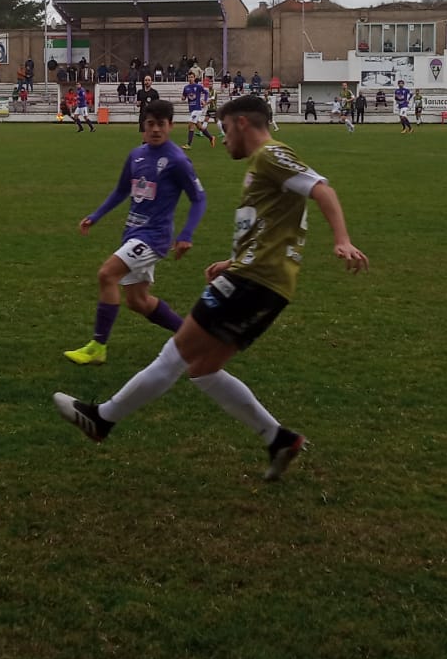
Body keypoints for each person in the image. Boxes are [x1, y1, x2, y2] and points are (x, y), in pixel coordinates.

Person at [53, 94, 367, 482]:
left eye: (224, 128)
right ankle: (278, 438)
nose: (223, 137)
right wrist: (232, 261)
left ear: (240, 123)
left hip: (251, 282)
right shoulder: (261, 163)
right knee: (202, 369)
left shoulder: (271, 154)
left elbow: (322, 188)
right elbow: (273, 225)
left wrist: (342, 239)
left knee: (175, 353)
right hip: (269, 284)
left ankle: (102, 418)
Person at [63, 100, 207, 366]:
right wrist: (95, 216)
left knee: (107, 274)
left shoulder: (177, 160)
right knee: (138, 301)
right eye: (150, 124)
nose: (155, 130)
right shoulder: (136, 155)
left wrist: (186, 234)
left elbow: (199, 198)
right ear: (143, 126)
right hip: (133, 233)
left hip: (154, 237)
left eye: (161, 124)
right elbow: (121, 191)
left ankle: (98, 347)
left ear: (170, 126)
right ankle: (192, 338)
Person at [180, 74, 215, 147]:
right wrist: (183, 98)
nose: (190, 78)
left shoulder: (198, 86)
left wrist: (205, 101)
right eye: (189, 77)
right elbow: (184, 96)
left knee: (190, 125)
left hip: (197, 109)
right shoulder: (186, 88)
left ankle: (188, 144)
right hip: (191, 109)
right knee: (199, 127)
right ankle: (211, 138)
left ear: (194, 78)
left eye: (192, 77)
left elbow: (206, 92)